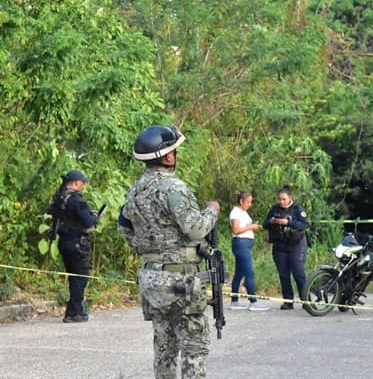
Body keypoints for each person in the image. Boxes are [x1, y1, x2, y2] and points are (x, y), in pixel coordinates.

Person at [118, 125, 220, 379]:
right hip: (179, 280)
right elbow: (196, 229)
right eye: (174, 150)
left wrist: (149, 251)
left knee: (164, 344)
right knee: (194, 344)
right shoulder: (172, 188)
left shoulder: (135, 191)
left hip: (151, 278)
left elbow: (124, 228)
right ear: (166, 156)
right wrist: (212, 211)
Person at [49, 169, 98, 323]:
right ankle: (74, 312)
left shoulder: (60, 198)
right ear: (76, 183)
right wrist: (93, 216)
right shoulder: (76, 199)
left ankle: (74, 310)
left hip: (64, 242)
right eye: (82, 182)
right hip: (77, 243)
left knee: (73, 277)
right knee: (81, 278)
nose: (83, 185)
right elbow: (88, 221)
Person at [263, 185, 308, 310]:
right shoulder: (275, 209)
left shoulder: (297, 209)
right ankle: (288, 301)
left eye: (284, 199)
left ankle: (306, 300)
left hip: (296, 244)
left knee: (299, 273)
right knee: (283, 274)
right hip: (279, 245)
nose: (281, 202)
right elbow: (265, 224)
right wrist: (271, 221)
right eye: (279, 199)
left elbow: (304, 224)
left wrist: (288, 222)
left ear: (290, 198)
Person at [228, 191, 269, 311]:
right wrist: (251, 227)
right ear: (241, 201)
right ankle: (253, 302)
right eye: (248, 202)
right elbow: (236, 230)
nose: (250, 204)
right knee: (249, 273)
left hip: (244, 244)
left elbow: (243, 227)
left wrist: (253, 226)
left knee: (239, 274)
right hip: (241, 244)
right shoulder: (235, 212)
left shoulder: (243, 212)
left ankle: (234, 301)